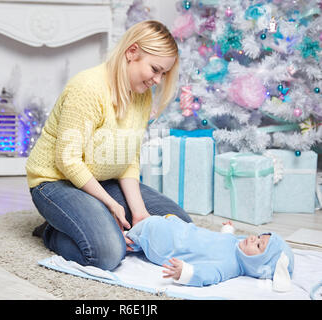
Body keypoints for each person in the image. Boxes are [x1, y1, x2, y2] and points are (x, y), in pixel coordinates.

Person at [27, 20, 192, 271]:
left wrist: (139, 213)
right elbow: (67, 160)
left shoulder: (142, 95)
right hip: (55, 182)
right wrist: (110, 205)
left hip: (101, 179)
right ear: (132, 52)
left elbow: (129, 157)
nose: (158, 80)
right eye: (155, 69)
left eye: (164, 74)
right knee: (107, 253)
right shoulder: (88, 87)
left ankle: (89, 220)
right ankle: (53, 232)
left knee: (179, 224)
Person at [126, 215, 294, 291]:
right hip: (184, 231)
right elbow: (221, 240)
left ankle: (132, 239)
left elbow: (208, 275)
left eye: (258, 246)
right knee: (174, 224)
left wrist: (186, 273)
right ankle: (144, 228)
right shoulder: (235, 243)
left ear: (258, 265)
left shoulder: (230, 265)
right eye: (258, 237)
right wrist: (228, 229)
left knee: (154, 228)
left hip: (171, 245)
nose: (252, 239)